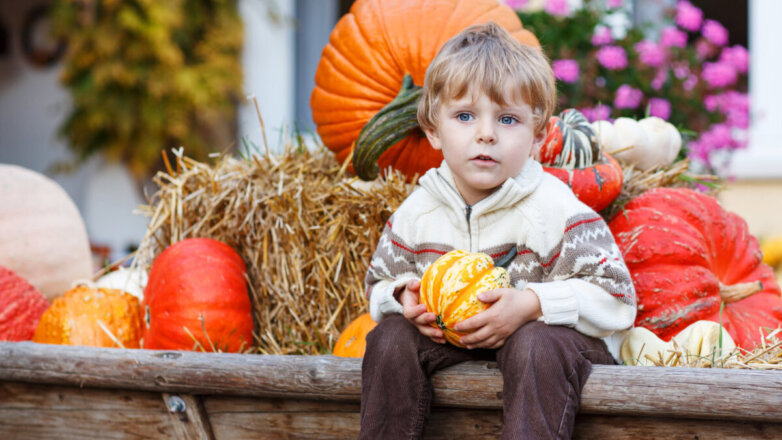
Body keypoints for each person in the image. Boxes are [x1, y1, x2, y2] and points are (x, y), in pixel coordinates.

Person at [358, 22, 637, 440]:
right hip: (455, 338)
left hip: (553, 351)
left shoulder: (554, 208)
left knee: (535, 345)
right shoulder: (417, 211)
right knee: (390, 338)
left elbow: (618, 299)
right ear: (433, 129)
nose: (486, 133)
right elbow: (378, 284)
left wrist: (531, 304)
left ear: (538, 135)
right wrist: (403, 297)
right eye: (465, 116)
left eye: (507, 119)